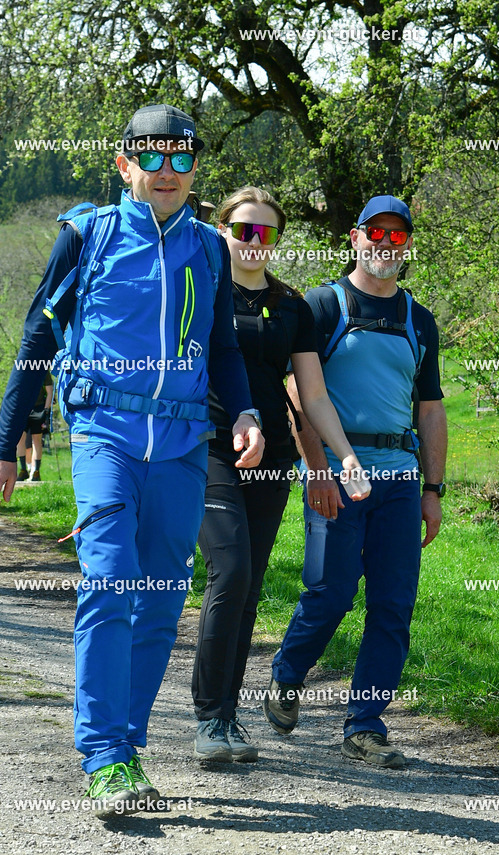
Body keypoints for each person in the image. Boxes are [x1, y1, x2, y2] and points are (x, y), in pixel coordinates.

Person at [0, 103, 264, 817]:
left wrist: (249, 411)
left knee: (162, 599)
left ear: (196, 165)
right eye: (152, 156)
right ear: (125, 163)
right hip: (106, 437)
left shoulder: (208, 247)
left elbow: (224, 349)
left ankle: (128, 748)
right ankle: (103, 754)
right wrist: (4, 445)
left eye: (180, 157)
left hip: (180, 447)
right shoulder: (88, 234)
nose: (166, 171)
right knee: (110, 585)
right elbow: (35, 339)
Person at [264, 194, 448, 768]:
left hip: (398, 481)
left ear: (408, 244)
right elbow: (299, 393)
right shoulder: (323, 305)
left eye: (398, 236)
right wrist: (317, 469)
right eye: (377, 233)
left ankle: (365, 726)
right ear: (354, 236)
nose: (386, 245)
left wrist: (433, 490)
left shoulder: (419, 318)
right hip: (338, 478)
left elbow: (432, 409)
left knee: (393, 606)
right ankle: (286, 678)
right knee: (332, 594)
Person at [192, 186, 370, 764]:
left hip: (272, 462)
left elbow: (312, 394)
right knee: (232, 571)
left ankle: (226, 715)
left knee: (246, 590)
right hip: (207, 450)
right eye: (243, 229)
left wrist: (341, 456)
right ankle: (210, 717)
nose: (253, 241)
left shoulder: (290, 304)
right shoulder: (200, 289)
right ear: (222, 230)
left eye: (266, 232)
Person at [16, 371, 53, 481]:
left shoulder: (44, 370)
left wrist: (46, 410)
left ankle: (36, 472)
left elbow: (49, 392)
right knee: (20, 440)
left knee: (37, 440)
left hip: (39, 409)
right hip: (23, 409)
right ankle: (23, 470)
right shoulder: (21, 369)